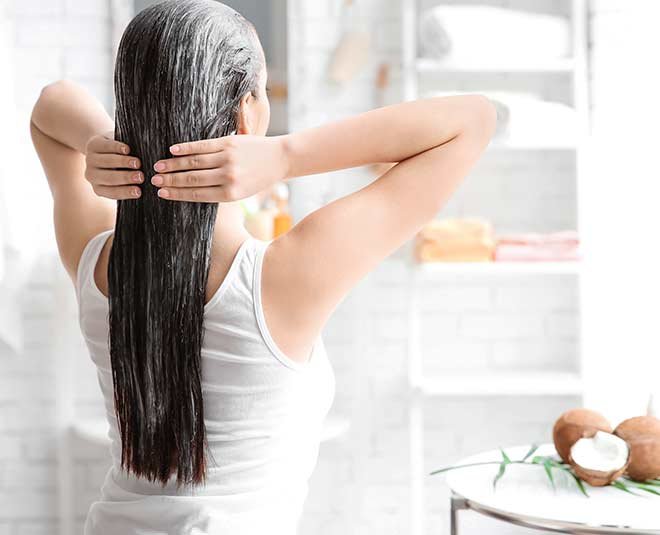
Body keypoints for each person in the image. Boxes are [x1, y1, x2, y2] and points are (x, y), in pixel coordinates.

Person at [29, 1, 496, 533]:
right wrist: (285, 156)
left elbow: (50, 106)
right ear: (248, 112)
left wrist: (115, 146)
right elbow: (473, 119)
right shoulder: (283, 278)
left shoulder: (96, 261)